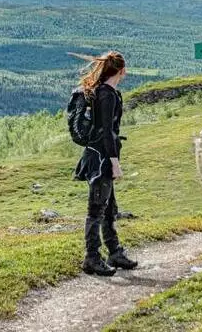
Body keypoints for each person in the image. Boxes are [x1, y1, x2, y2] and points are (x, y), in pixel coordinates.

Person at [74, 51, 138, 276]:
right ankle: (91, 258)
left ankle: (114, 252)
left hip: (96, 156)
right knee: (96, 210)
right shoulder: (107, 94)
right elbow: (108, 132)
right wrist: (115, 163)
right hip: (101, 159)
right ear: (121, 70)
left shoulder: (103, 92)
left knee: (109, 208)